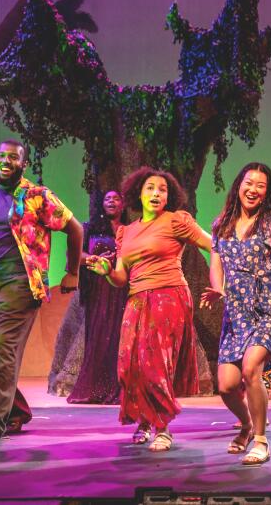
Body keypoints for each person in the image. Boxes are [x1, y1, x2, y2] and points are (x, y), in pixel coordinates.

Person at [0, 139, 83, 443]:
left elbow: (75, 228)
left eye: (13, 157)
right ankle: (16, 410)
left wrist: (72, 272)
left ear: (23, 164)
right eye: (1, 155)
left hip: (20, 286)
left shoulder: (37, 197)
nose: (6, 161)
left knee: (3, 352)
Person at [86, 167, 211, 452]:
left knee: (154, 363)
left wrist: (221, 282)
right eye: (150, 188)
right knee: (128, 365)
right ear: (138, 194)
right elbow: (120, 278)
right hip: (136, 299)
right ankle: (144, 418)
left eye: (162, 189)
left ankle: (162, 427)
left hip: (169, 297)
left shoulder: (176, 221)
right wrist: (106, 270)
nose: (156, 193)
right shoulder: (126, 233)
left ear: (170, 196)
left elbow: (213, 245)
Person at [200, 162, 271, 465]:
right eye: (249, 183)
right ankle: (246, 425)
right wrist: (219, 289)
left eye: (261, 185)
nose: (253, 189)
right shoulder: (221, 224)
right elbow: (216, 263)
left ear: (267, 192)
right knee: (227, 386)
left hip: (269, 305)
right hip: (236, 311)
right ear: (239, 185)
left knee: (252, 368)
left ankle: (261, 441)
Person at [67, 190, 131, 404]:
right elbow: (75, 256)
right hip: (98, 291)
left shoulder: (130, 230)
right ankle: (95, 388)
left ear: (123, 205)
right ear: (101, 204)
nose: (112, 201)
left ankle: (119, 387)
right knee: (99, 335)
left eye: (116, 198)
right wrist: (93, 259)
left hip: (121, 289)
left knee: (118, 337)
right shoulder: (90, 228)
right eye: (107, 198)